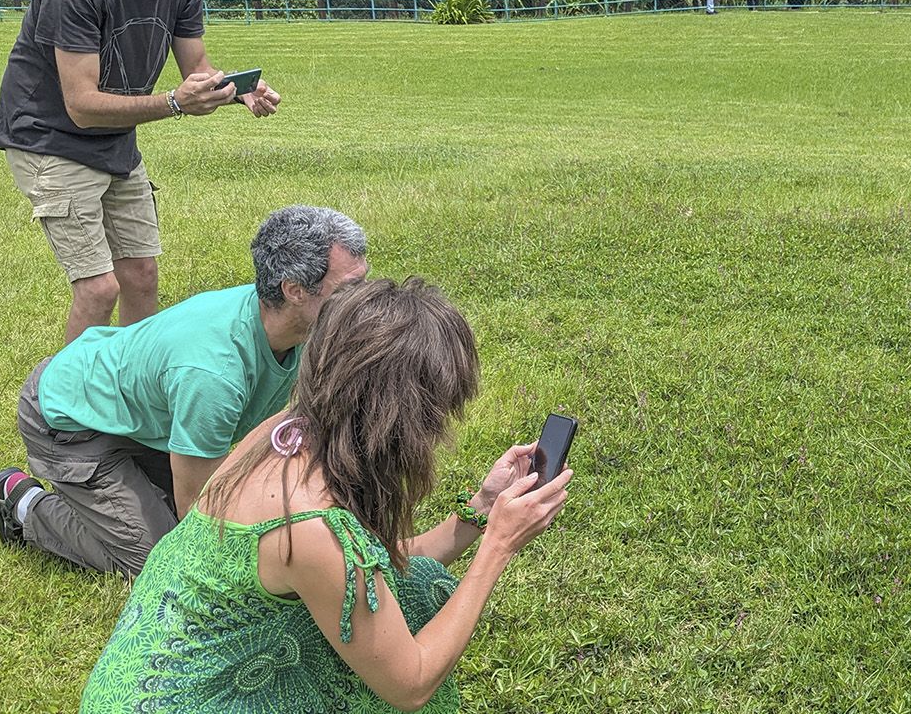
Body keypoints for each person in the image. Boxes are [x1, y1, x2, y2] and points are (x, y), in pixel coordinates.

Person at [79, 277, 574, 713]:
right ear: (401, 416)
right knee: (411, 615)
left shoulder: (284, 433)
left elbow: (378, 571)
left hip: (139, 688)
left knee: (415, 584)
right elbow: (412, 684)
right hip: (184, 701)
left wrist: (481, 511)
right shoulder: (315, 529)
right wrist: (498, 547)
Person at [0, 0, 284, 345]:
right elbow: (82, 106)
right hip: (49, 139)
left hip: (115, 140)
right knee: (99, 288)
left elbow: (198, 69)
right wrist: (174, 103)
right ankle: (64, 412)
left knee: (142, 277)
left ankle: (131, 396)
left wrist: (237, 91)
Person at [0, 205, 367, 576]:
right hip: (65, 422)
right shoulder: (213, 373)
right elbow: (196, 509)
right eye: (352, 288)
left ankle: (123, 491)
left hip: (133, 420)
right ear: (295, 290)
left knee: (231, 505)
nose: (365, 301)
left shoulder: (299, 329)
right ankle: (23, 503)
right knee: (160, 558)